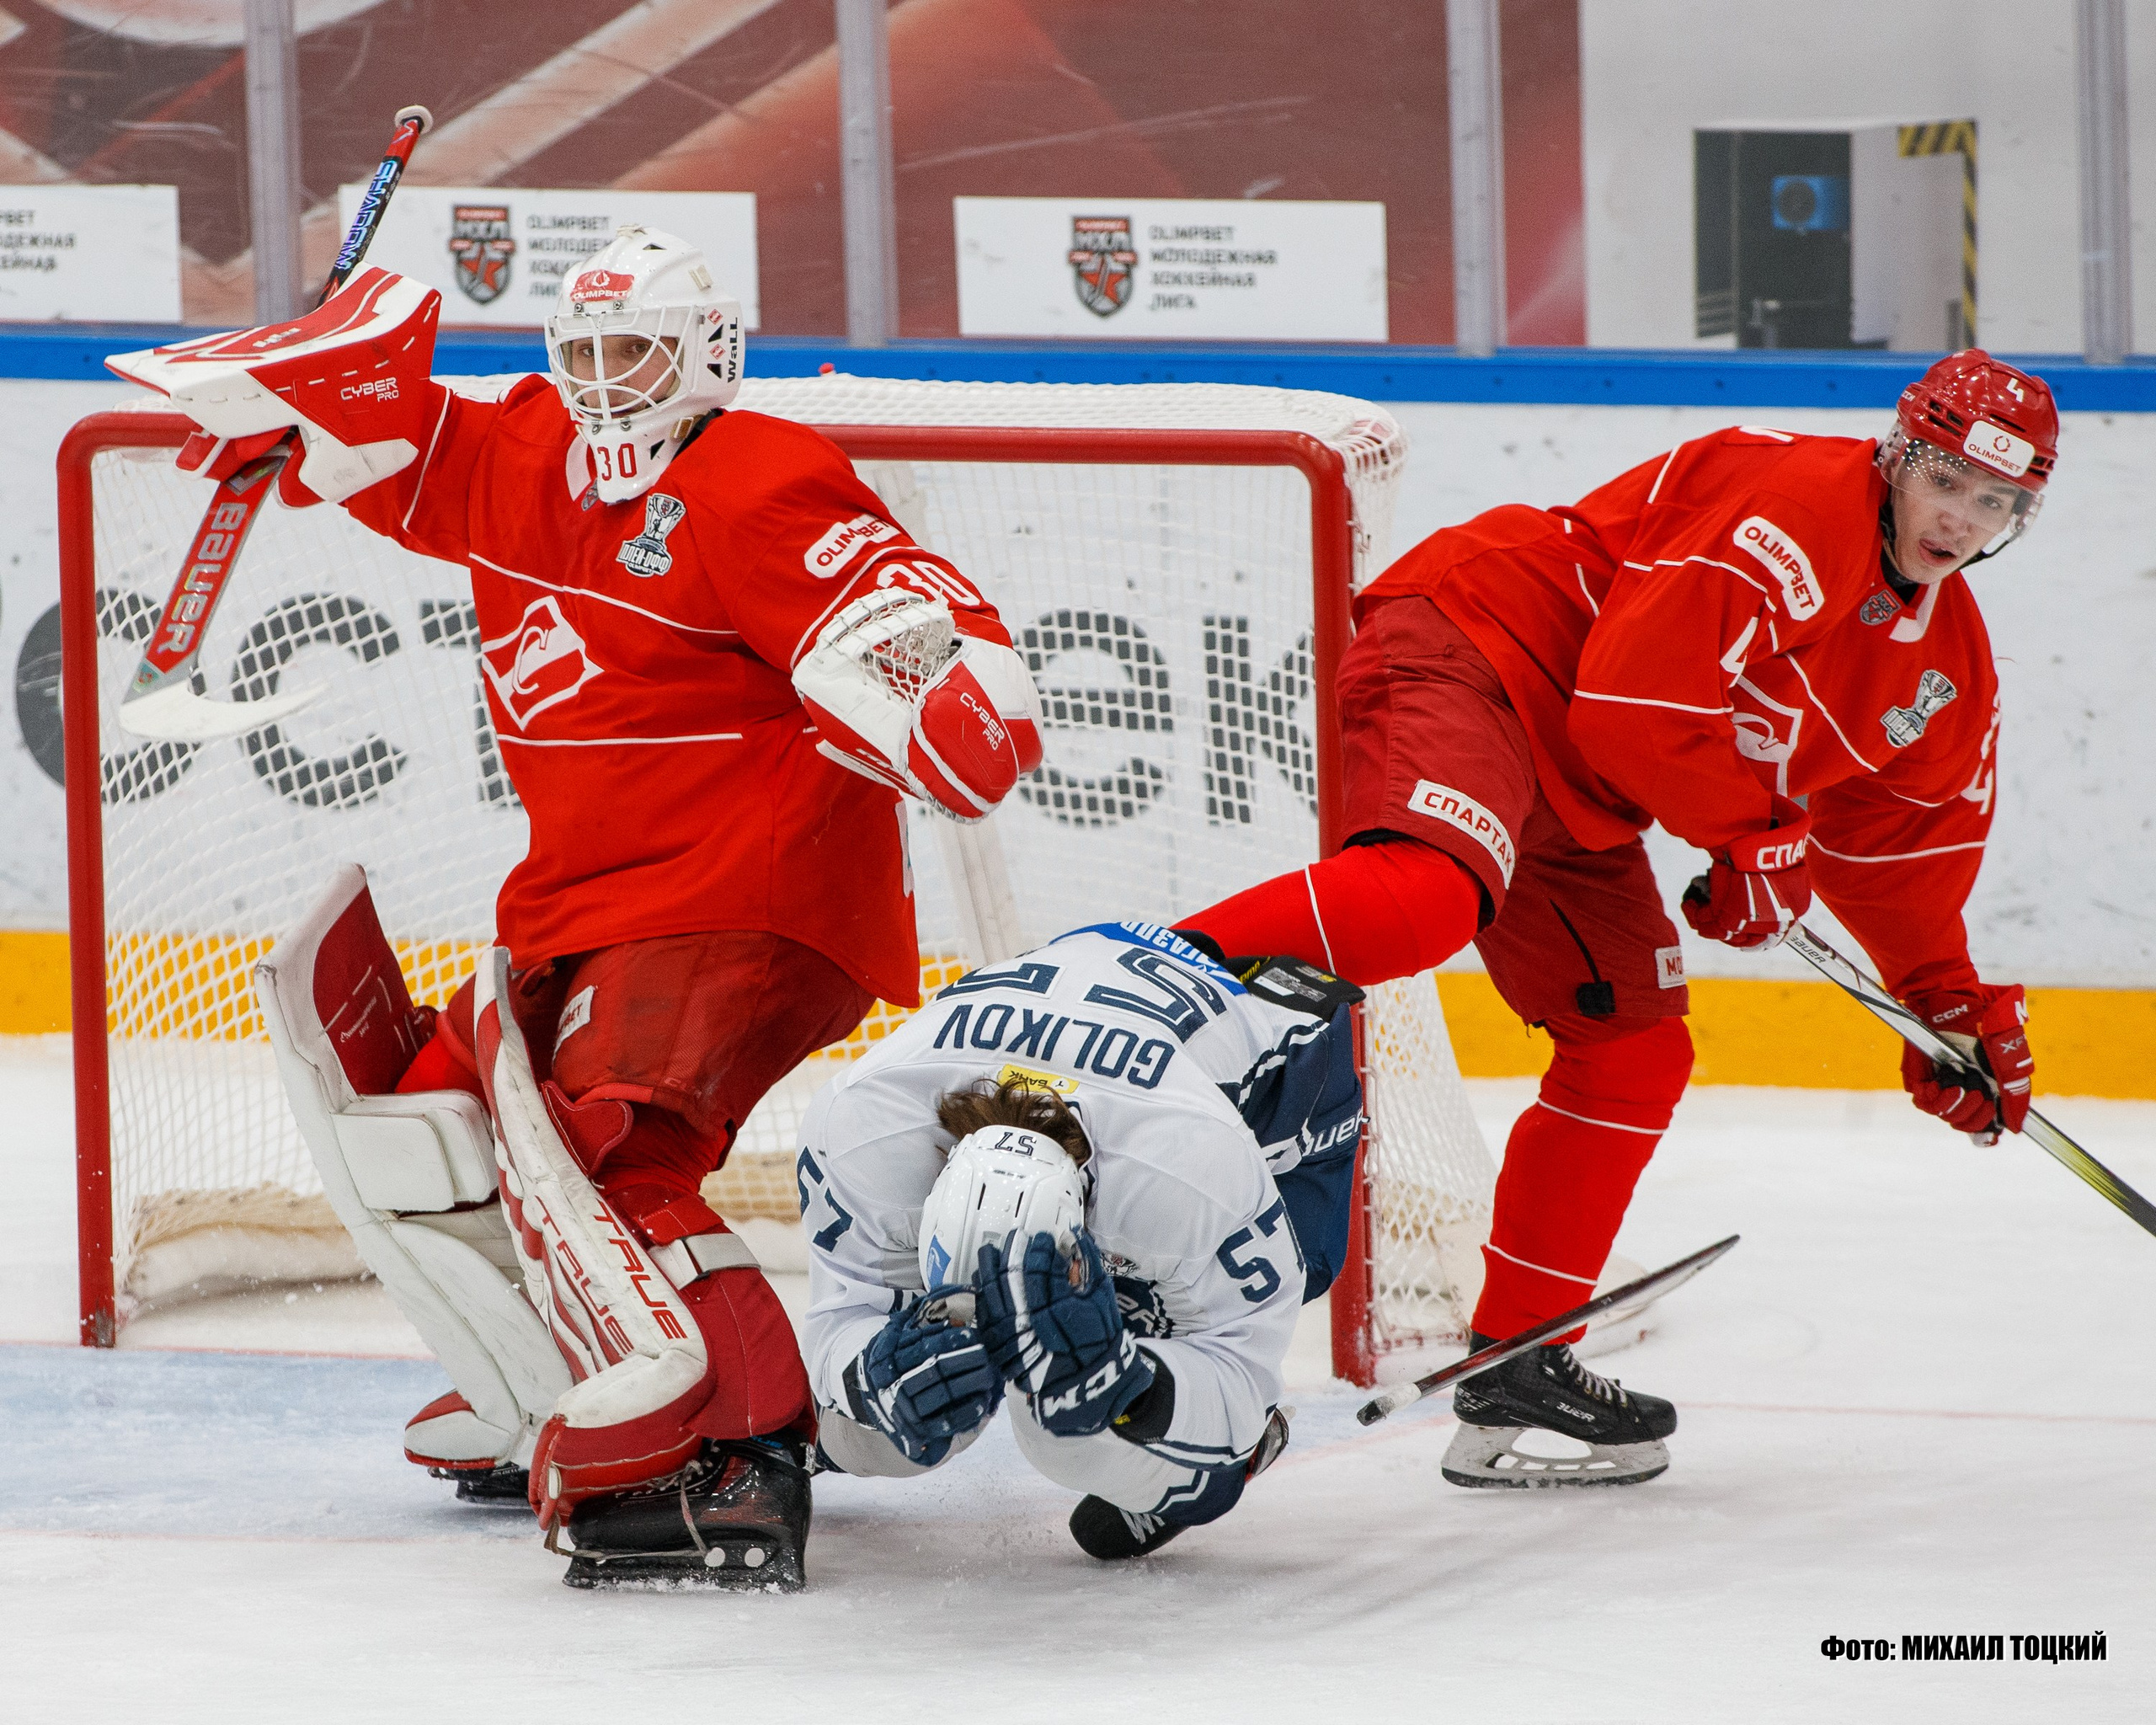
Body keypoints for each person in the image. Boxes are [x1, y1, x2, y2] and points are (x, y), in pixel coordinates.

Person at [110, 226, 1044, 1587]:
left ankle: (736, 1444)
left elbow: (897, 605)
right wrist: (296, 398)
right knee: (438, 1117)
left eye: (638, 353)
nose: (607, 383)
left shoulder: (759, 481)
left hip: (746, 893)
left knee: (611, 1153)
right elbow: (407, 444)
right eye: (586, 351)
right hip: (593, 899)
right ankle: (569, 1376)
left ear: (708, 356)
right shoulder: (528, 454)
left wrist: (937, 686)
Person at [1175, 350, 2055, 1488]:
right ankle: (1124, 976)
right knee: (1428, 892)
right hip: (1482, 647)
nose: (1961, 520)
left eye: (1996, 504)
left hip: (1580, 792)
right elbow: (1638, 701)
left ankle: (1519, 1361)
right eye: (1946, 481)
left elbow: (1900, 857)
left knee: (1634, 1052)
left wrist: (1943, 1005)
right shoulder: (1795, 503)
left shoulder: (1947, 667)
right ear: (1897, 454)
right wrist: (1753, 838)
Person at [797, 921, 1364, 1559]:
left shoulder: (1192, 1175)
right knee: (885, 1421)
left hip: (1280, 1072)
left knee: (1068, 1434)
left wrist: (1134, 1390)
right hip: (1099, 988)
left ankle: (1206, 1469)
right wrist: (870, 1379)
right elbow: (842, 1312)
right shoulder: (863, 1127)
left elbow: (1239, 1373)